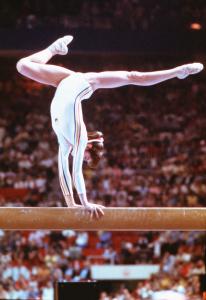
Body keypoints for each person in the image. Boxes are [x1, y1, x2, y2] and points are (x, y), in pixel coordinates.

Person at [16, 35, 204, 218]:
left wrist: (71, 204)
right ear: (89, 146)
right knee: (133, 76)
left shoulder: (66, 143)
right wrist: (85, 203)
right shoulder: (80, 139)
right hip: (87, 82)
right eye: (87, 158)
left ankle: (54, 49)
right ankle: (178, 71)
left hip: (65, 82)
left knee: (23, 66)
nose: (82, 159)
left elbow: (63, 168)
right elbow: (76, 172)